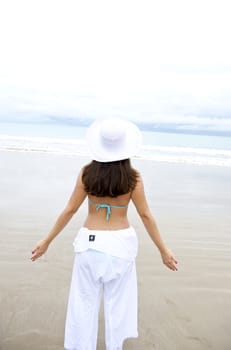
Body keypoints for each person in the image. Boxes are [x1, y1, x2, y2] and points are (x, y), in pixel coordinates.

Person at [31, 118, 178, 350]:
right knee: (117, 308)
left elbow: (70, 209)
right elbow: (146, 215)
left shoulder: (87, 173)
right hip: (121, 247)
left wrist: (46, 240)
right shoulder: (133, 178)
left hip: (89, 246)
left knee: (83, 306)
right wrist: (164, 250)